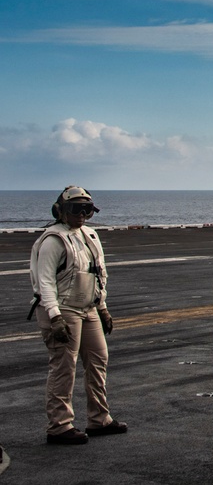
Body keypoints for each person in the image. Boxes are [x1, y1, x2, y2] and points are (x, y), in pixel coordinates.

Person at [28, 186, 127, 445]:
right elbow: (45, 282)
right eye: (76, 209)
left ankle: (99, 419)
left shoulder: (90, 235)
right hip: (63, 309)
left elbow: (99, 275)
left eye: (87, 210)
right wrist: (54, 317)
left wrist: (102, 308)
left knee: (98, 360)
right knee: (64, 366)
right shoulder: (53, 240)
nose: (82, 214)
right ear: (61, 211)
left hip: (88, 307)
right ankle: (59, 426)